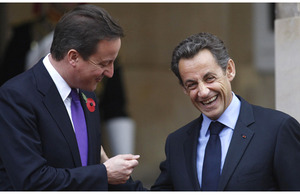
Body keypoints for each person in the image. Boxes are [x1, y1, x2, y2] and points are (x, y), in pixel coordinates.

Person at [0, 4, 143, 190]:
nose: (110, 73)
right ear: (73, 57)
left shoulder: (87, 95)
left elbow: (89, 171)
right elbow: (32, 181)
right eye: (104, 63)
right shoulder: (16, 97)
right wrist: (104, 172)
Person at [151, 32, 300, 191]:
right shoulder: (177, 143)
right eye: (192, 84)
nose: (203, 92)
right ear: (184, 89)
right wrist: (122, 181)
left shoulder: (278, 130)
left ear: (229, 70)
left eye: (209, 78)